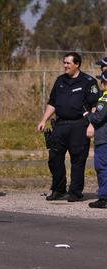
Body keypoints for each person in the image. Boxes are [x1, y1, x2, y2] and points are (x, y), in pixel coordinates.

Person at [36, 52, 100, 202]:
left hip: (79, 125)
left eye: (68, 63)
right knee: (54, 158)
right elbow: (52, 103)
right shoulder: (60, 81)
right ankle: (58, 189)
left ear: (76, 64)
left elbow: (94, 105)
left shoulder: (88, 81)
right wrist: (44, 120)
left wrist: (92, 125)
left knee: (77, 160)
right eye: (64, 63)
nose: (65, 65)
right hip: (60, 125)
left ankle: (75, 192)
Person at [86, 71, 107, 208]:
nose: (101, 83)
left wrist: (87, 115)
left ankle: (104, 198)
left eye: (103, 81)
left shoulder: (105, 98)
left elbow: (99, 117)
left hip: (104, 139)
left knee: (102, 167)